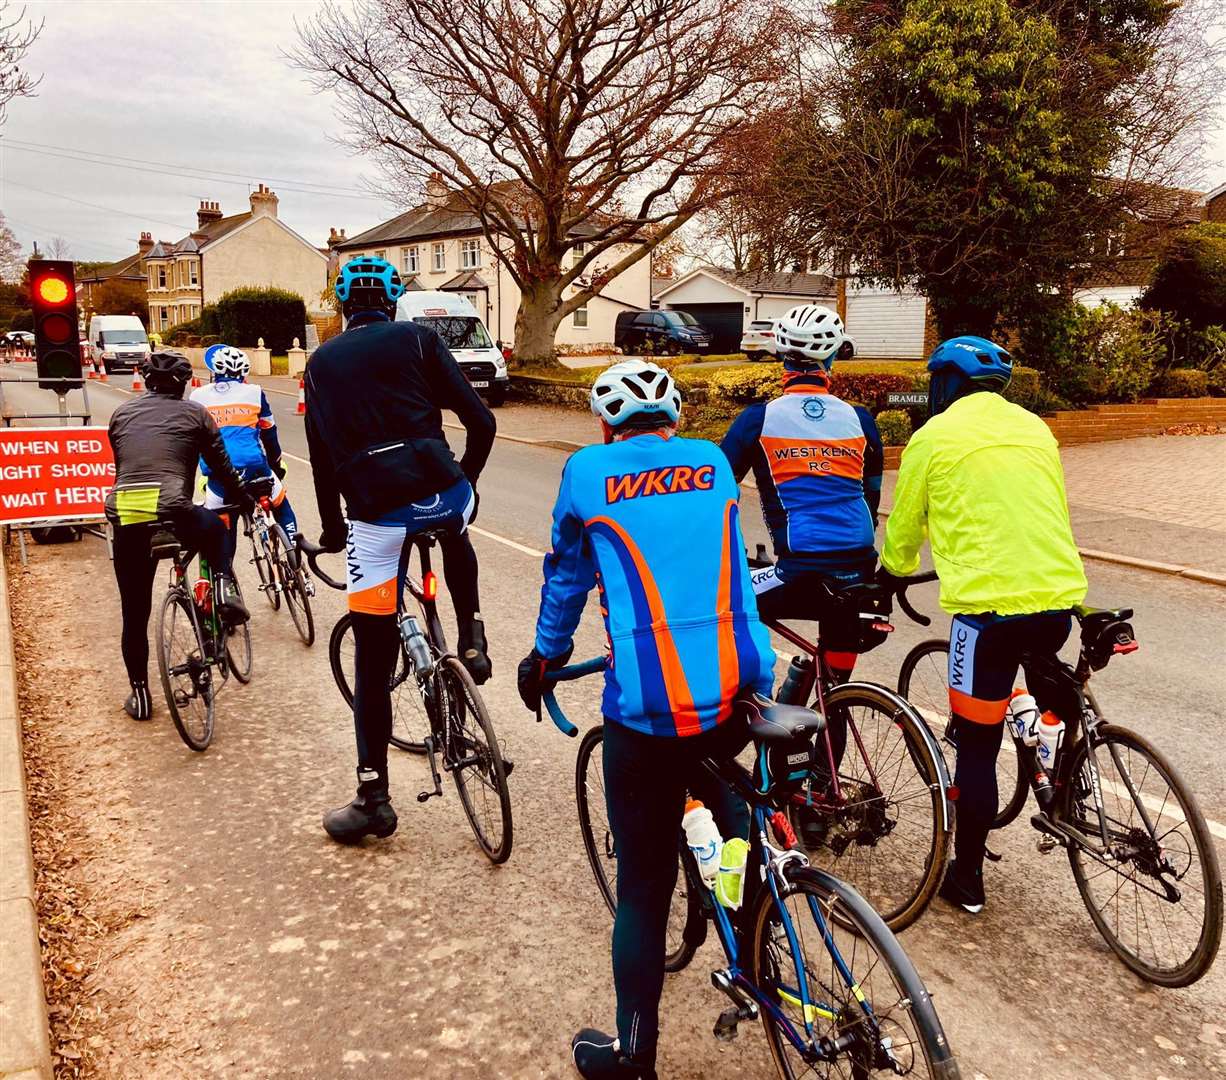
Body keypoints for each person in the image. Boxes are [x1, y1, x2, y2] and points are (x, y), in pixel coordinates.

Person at [517, 359, 775, 1080]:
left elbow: (566, 575)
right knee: (736, 813)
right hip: (735, 684)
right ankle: (758, 943)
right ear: (677, 418)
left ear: (605, 424)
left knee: (642, 888)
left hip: (646, 710)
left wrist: (545, 658)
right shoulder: (714, 463)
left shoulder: (588, 469)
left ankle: (634, 1057)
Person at [878, 335, 1088, 914]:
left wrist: (891, 573)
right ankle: (1058, 758)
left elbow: (905, 528)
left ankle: (966, 879)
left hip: (987, 613)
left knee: (976, 746)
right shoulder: (1036, 428)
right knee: (1045, 681)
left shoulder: (933, 437)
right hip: (1057, 597)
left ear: (945, 382)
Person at [305, 255, 496, 844]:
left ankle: (373, 797)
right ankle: (472, 634)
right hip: (445, 493)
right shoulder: (418, 339)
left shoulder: (319, 362)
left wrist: (334, 530)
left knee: (372, 656)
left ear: (343, 305)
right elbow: (481, 422)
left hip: (377, 517)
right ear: (392, 300)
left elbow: (320, 458)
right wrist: (464, 480)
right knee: (456, 529)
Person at [720, 304, 884, 686]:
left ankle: (753, 698)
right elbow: (871, 499)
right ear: (831, 359)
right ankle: (827, 708)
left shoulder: (758, 420)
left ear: (781, 356)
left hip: (799, 573)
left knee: (720, 605)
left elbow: (718, 498)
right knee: (836, 684)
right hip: (860, 573)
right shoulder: (860, 419)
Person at [105, 350, 252, 721]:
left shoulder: (121, 414)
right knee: (215, 531)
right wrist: (246, 502)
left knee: (134, 612)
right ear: (185, 384)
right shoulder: (194, 414)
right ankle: (223, 589)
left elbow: (126, 466)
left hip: (127, 512)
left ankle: (139, 695)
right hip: (174, 508)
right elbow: (222, 468)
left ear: (146, 380)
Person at [190, 345, 299, 553]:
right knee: (282, 506)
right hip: (255, 468)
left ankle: (225, 575)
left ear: (215, 372)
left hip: (220, 475)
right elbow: (269, 433)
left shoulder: (197, 397)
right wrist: (275, 465)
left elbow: (191, 443)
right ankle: (293, 552)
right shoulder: (255, 392)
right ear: (244, 373)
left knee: (222, 532)